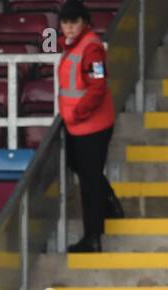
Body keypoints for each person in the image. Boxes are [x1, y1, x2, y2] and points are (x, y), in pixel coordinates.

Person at [58, 0, 123, 253]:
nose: (69, 28)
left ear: (84, 22)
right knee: (84, 170)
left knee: (89, 181)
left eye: (74, 22)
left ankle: (92, 238)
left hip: (92, 125)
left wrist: (77, 113)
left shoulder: (91, 48)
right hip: (77, 125)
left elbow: (98, 86)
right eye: (65, 23)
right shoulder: (72, 46)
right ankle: (110, 203)